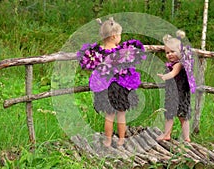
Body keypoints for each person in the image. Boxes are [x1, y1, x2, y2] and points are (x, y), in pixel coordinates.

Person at [77, 17, 146, 147]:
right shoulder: (122, 52)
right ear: (114, 36)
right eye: (119, 35)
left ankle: (108, 141)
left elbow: (87, 62)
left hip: (105, 88)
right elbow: (136, 55)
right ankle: (121, 140)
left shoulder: (96, 53)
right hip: (120, 87)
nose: (120, 38)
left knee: (109, 116)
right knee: (121, 115)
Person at [156, 30, 196, 143]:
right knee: (170, 114)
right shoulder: (172, 64)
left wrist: (164, 76)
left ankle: (186, 137)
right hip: (172, 93)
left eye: (172, 51)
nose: (169, 55)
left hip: (180, 94)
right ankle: (168, 134)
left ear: (180, 51)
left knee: (182, 115)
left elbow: (173, 74)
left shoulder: (179, 64)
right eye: (167, 53)